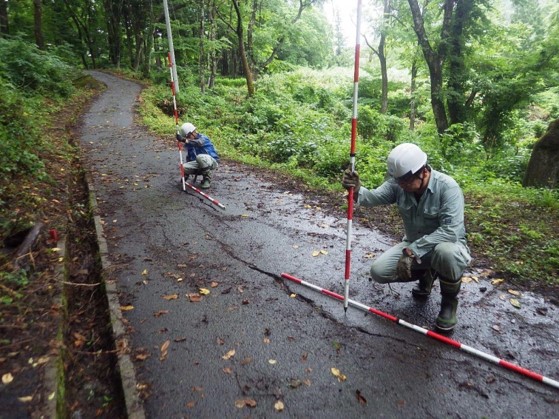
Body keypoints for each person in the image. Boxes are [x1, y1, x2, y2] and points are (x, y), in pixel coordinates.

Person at [342, 143, 471, 332]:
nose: (401, 185)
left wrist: (414, 250)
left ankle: (449, 305)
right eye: (398, 180)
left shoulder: (448, 188)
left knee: (446, 253)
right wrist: (357, 189)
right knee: (379, 271)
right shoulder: (399, 183)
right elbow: (372, 198)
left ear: (424, 172)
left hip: (447, 245)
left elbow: (451, 230)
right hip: (413, 245)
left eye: (406, 181)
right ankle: (427, 273)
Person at [176, 122, 219, 189]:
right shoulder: (190, 144)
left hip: (211, 162)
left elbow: (198, 143)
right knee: (183, 166)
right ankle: (186, 176)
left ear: (193, 132)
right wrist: (185, 173)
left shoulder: (203, 138)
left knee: (200, 157)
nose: (188, 138)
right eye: (186, 137)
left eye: (188, 136)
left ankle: (207, 179)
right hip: (199, 164)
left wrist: (184, 140)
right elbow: (189, 158)